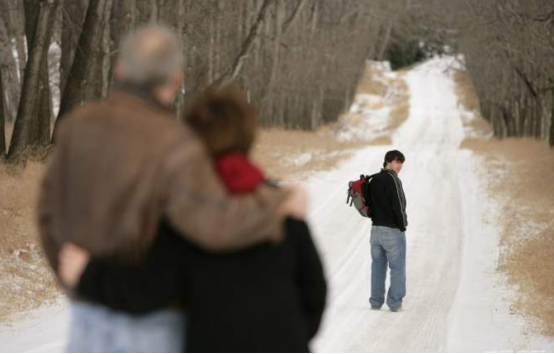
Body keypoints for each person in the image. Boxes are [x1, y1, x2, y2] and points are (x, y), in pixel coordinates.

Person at [38, 26, 306, 353]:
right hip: (152, 323)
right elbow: (213, 223)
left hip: (85, 318)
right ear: (176, 78)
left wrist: (76, 280)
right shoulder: (176, 144)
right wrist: (278, 204)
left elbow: (46, 216)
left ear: (119, 70)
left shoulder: (75, 126)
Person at [368, 150, 408, 312]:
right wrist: (402, 225)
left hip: (375, 230)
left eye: (401, 163)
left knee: (377, 266)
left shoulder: (373, 179)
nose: (399, 166)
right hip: (392, 231)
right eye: (397, 162)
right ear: (388, 162)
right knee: (397, 267)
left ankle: (376, 301)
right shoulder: (393, 180)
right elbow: (399, 205)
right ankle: (394, 303)